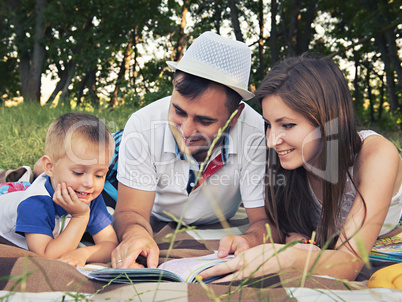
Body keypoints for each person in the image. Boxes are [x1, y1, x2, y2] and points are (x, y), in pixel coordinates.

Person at [199, 55, 402, 282]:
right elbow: (283, 226)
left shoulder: (376, 155)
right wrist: (250, 240)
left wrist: (286, 257)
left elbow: (349, 263)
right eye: (268, 125)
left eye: (287, 125)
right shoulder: (288, 158)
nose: (272, 140)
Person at [110, 31, 269, 269]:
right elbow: (130, 210)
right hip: (125, 146)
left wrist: (251, 240)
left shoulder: (257, 134)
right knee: (86, 160)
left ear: (235, 116)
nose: (186, 130)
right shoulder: (142, 124)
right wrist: (135, 234)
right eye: (179, 111)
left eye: (204, 121)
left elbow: (264, 221)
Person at [0, 113, 118, 267]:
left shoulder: (88, 196)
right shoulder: (35, 203)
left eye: (99, 175)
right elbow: (46, 256)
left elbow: (110, 244)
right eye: (78, 173)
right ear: (50, 167)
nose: (90, 183)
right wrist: (80, 217)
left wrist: (83, 253)